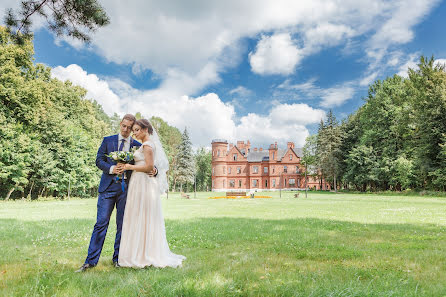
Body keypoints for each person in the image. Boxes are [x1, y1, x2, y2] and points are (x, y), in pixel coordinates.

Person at [76, 114, 155, 272]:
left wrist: (155, 170)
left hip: (127, 190)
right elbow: (99, 160)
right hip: (107, 188)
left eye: (129, 128)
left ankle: (118, 259)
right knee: (101, 224)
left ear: (133, 128)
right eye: (123, 126)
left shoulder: (137, 144)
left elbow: (148, 162)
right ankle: (90, 262)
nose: (126, 130)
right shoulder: (108, 140)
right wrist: (112, 168)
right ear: (120, 124)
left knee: (122, 226)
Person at [118, 119, 185, 268]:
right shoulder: (144, 144)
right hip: (139, 182)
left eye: (137, 130)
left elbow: (149, 167)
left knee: (143, 214)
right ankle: (140, 251)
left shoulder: (147, 145)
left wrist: (128, 166)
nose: (134, 133)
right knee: (139, 215)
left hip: (144, 183)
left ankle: (145, 254)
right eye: (133, 130)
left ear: (146, 129)